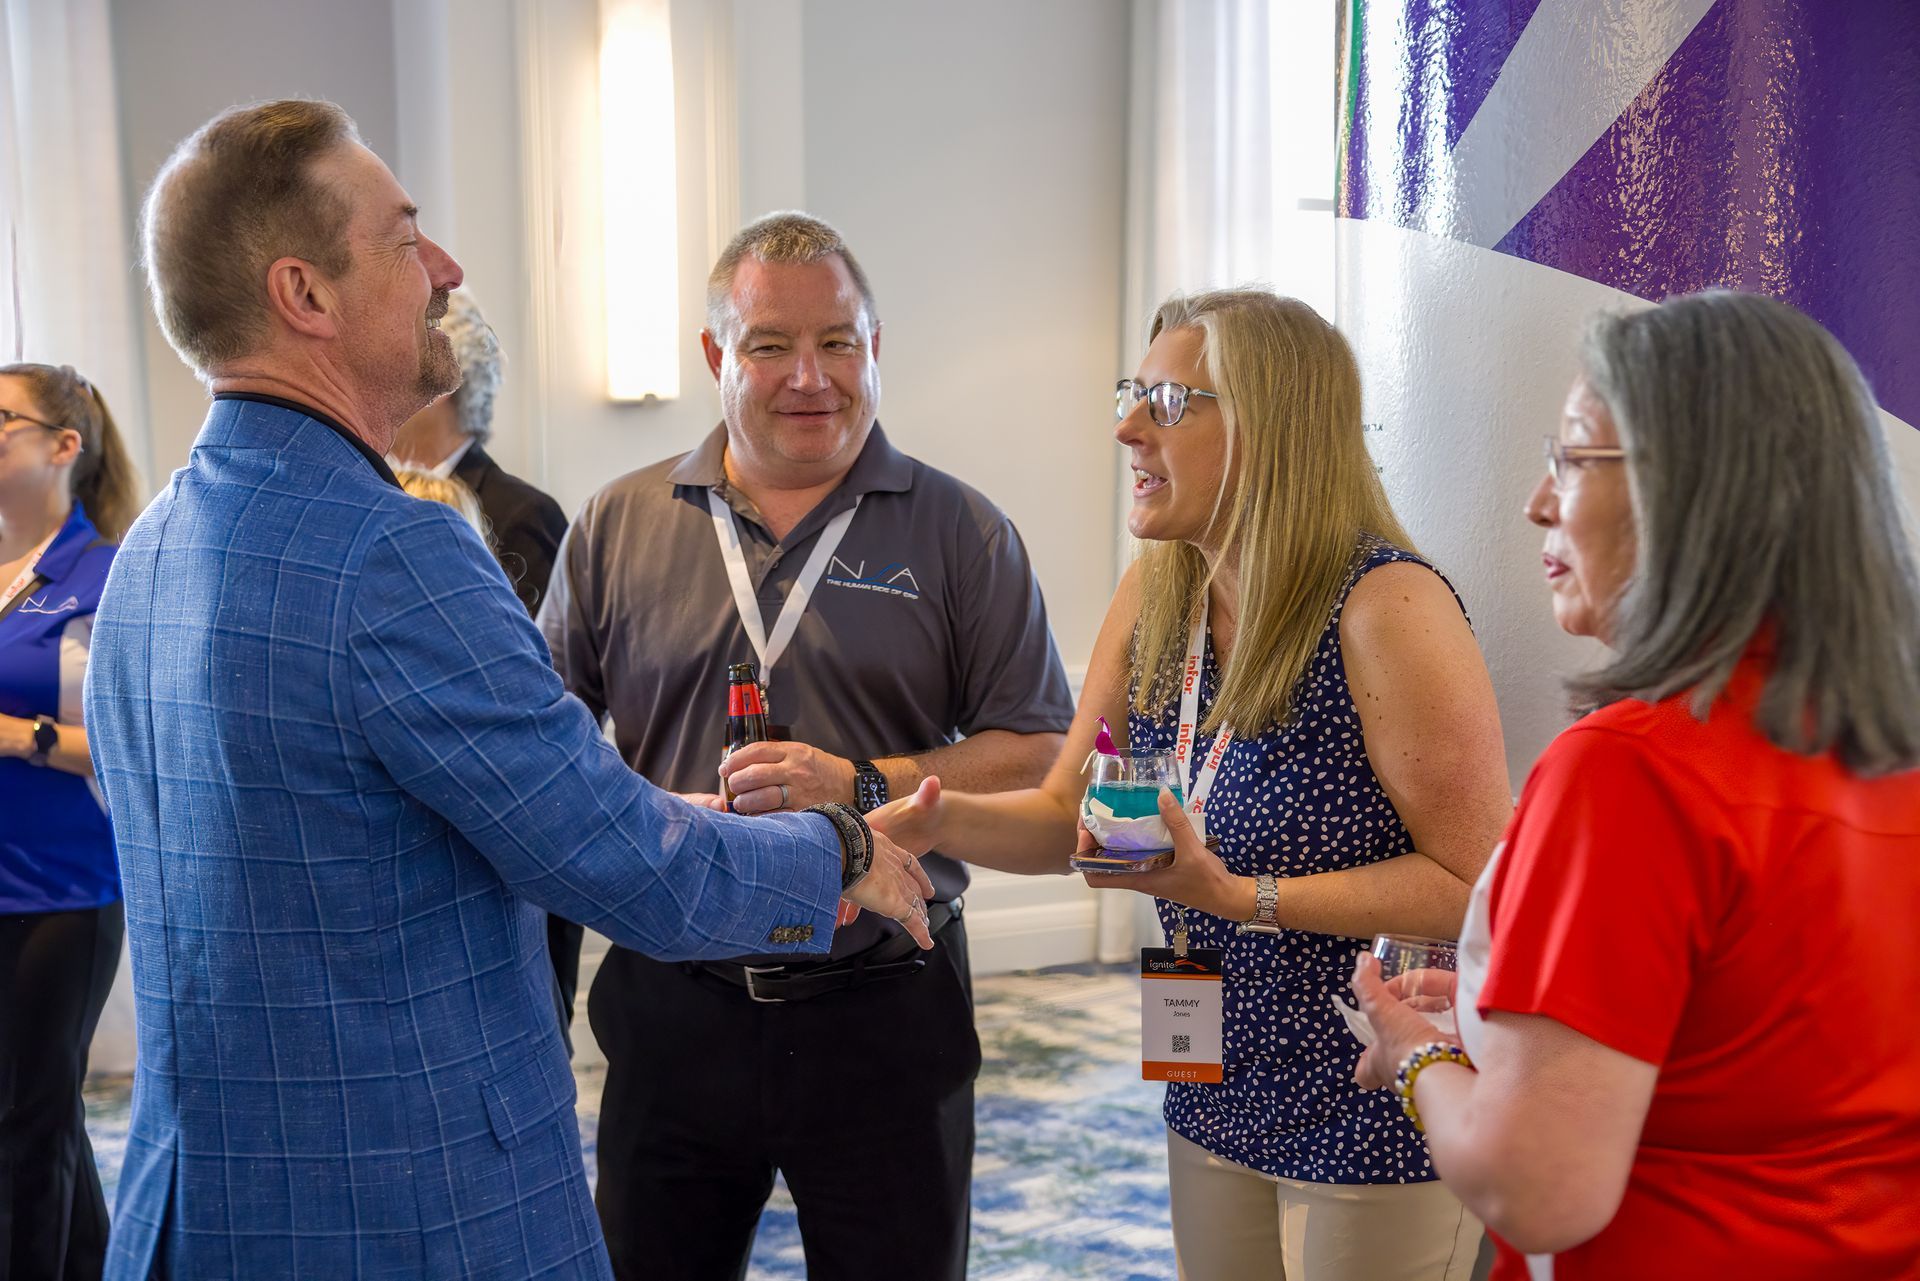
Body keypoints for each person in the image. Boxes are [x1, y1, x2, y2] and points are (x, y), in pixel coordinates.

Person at [86, 99, 936, 1281]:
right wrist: (837, 851)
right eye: (404, 237)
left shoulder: (151, 549)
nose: (447, 268)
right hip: (410, 1207)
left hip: (202, 1209)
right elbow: (615, 855)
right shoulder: (396, 556)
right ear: (307, 294)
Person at [871, 289, 1513, 1280]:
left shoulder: (1386, 606)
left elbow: (1478, 884)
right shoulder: (1159, 589)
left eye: (1168, 404)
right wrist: (932, 817)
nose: (1126, 427)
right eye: (1136, 393)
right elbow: (1065, 822)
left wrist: (1236, 897)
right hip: (1208, 1065)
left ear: (1270, 430)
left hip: (1371, 1083)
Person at [537, 210, 1074, 1281]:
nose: (810, 377)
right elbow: (546, 745)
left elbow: (1036, 748)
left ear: (875, 347)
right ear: (714, 357)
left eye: (838, 341)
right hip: (673, 998)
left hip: (882, 997)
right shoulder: (620, 522)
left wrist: (864, 781)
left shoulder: (962, 532)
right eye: (770, 346)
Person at [1350, 290, 1920, 1279]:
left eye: (1572, 456)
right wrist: (1501, 1015)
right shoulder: (1886, 741)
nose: (1536, 501)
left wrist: (1419, 1057)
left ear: (1693, 490)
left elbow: (1538, 1191)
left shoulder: (1630, 770)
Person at [391, 293, 587, 1039]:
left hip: (514, 850)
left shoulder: (516, 511)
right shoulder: (377, 500)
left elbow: (528, 692)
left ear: (437, 382)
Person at [0, 362, 138, 1280]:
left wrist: (18, 735)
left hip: (62, 885)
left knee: (26, 1124)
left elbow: (140, 741)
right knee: (33, 1120)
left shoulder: (105, 576)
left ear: (62, 445)